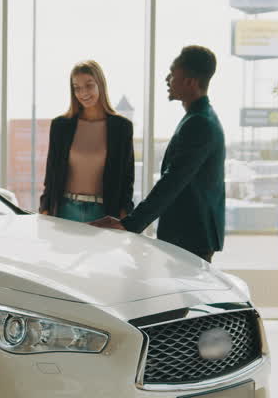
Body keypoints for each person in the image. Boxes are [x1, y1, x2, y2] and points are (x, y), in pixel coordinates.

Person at [92, 46, 224, 263]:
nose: (167, 79)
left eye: (172, 74)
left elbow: (173, 180)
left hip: (190, 235)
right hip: (191, 233)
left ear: (190, 82)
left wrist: (130, 224)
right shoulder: (200, 117)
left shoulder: (199, 123)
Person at [38, 60, 135, 223]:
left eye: (89, 85)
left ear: (100, 85)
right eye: (77, 88)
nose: (83, 93)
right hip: (64, 211)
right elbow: (51, 175)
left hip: (104, 213)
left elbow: (127, 178)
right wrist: (45, 209)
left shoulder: (121, 127)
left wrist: (124, 215)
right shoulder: (61, 126)